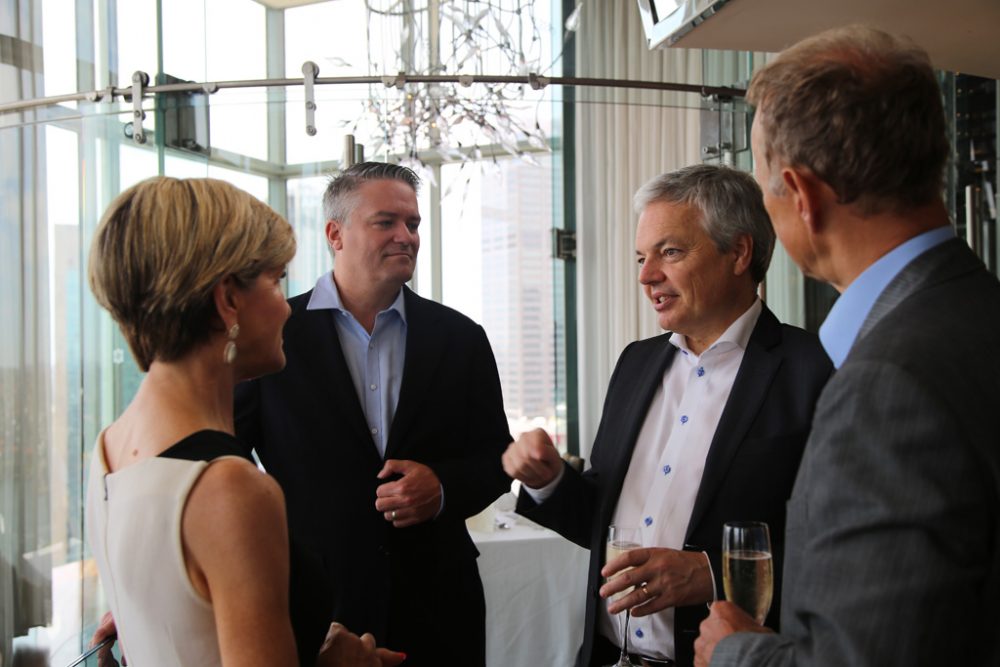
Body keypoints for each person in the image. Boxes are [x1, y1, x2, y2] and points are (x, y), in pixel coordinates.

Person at [695, 26, 1000, 667]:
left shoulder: (886, 384)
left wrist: (737, 653)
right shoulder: (978, 309)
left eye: (763, 186)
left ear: (801, 195)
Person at [502, 164, 832, 667]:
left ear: (739, 252)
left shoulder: (812, 371)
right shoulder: (636, 362)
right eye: (641, 256)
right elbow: (602, 520)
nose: (645, 274)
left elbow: (845, 552)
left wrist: (709, 575)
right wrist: (550, 482)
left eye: (670, 252)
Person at [85, 176, 402, 667]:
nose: (285, 306)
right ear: (227, 300)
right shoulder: (230, 489)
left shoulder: (108, 447)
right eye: (276, 281)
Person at [234, 162, 512, 666]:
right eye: (386, 222)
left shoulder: (460, 338)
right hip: (318, 607)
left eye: (413, 224)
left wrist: (443, 488)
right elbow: (223, 462)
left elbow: (498, 460)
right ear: (335, 234)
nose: (406, 236)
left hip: (440, 608)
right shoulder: (272, 334)